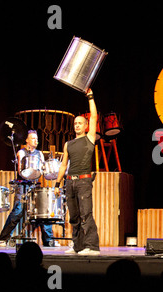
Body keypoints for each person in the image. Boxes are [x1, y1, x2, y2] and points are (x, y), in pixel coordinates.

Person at [54, 89, 100, 256]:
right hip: (70, 182)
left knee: (86, 214)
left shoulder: (89, 138)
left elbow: (94, 116)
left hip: (83, 181)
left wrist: (90, 97)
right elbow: (63, 165)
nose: (77, 125)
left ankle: (92, 247)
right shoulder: (68, 144)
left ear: (86, 126)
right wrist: (57, 184)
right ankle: (78, 246)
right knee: (74, 216)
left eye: (80, 123)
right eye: (75, 123)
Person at [0, 130, 55, 247]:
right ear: (27, 140)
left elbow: (43, 169)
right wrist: (29, 172)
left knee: (42, 211)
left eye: (36, 138)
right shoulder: (21, 152)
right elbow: (20, 170)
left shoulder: (39, 154)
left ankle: (48, 240)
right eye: (33, 138)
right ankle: (3, 238)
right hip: (22, 185)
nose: (36, 140)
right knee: (18, 212)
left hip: (35, 185)